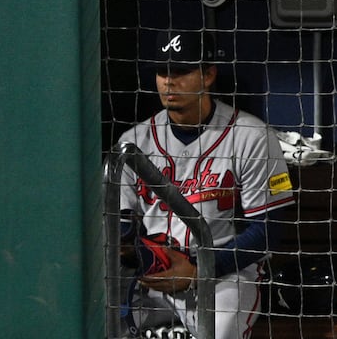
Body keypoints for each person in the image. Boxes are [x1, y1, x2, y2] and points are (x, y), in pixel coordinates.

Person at [116, 30, 295, 339]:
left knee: (221, 333)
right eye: (162, 72)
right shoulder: (134, 141)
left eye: (181, 71)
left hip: (224, 275)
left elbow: (267, 231)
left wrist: (199, 270)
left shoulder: (251, 136)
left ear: (209, 74)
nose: (169, 81)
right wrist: (135, 251)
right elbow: (120, 226)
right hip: (152, 275)